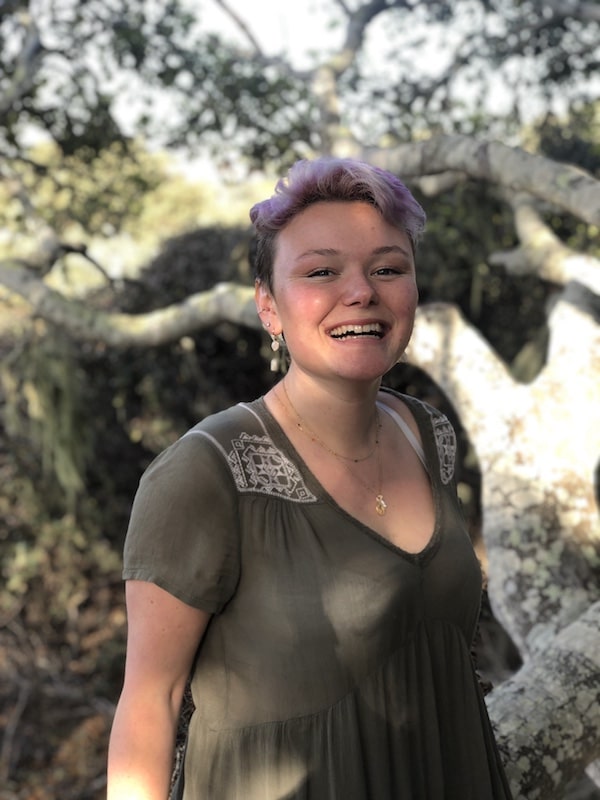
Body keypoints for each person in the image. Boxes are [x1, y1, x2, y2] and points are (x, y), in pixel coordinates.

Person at [107, 157, 513, 799]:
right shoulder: (207, 469)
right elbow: (150, 702)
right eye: (322, 271)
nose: (361, 292)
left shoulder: (428, 433)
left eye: (388, 268)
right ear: (268, 307)